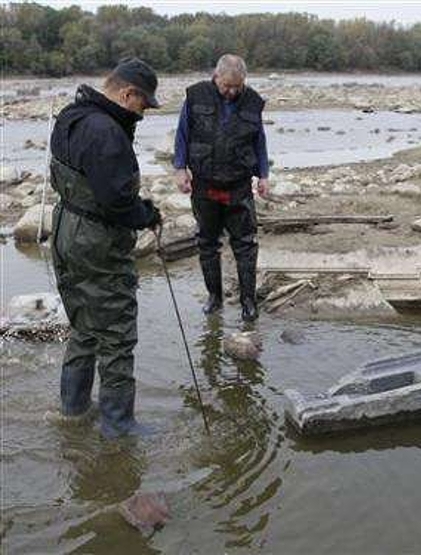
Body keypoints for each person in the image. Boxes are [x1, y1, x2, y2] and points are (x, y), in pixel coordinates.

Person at [49, 58, 162, 438]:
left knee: (83, 326)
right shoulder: (106, 132)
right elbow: (118, 203)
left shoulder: (70, 116)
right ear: (128, 93)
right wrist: (147, 214)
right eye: (143, 105)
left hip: (64, 229)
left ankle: (73, 411)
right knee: (115, 334)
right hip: (95, 240)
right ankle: (119, 427)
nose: (143, 114)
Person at [173, 54, 269, 323]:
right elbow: (183, 134)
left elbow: (259, 141)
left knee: (246, 244)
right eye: (227, 86)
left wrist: (263, 175)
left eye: (237, 86)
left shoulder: (252, 102)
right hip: (204, 184)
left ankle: (248, 302)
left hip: (238, 186)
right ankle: (214, 297)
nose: (232, 92)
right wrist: (180, 168)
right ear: (216, 77)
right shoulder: (195, 97)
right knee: (206, 243)